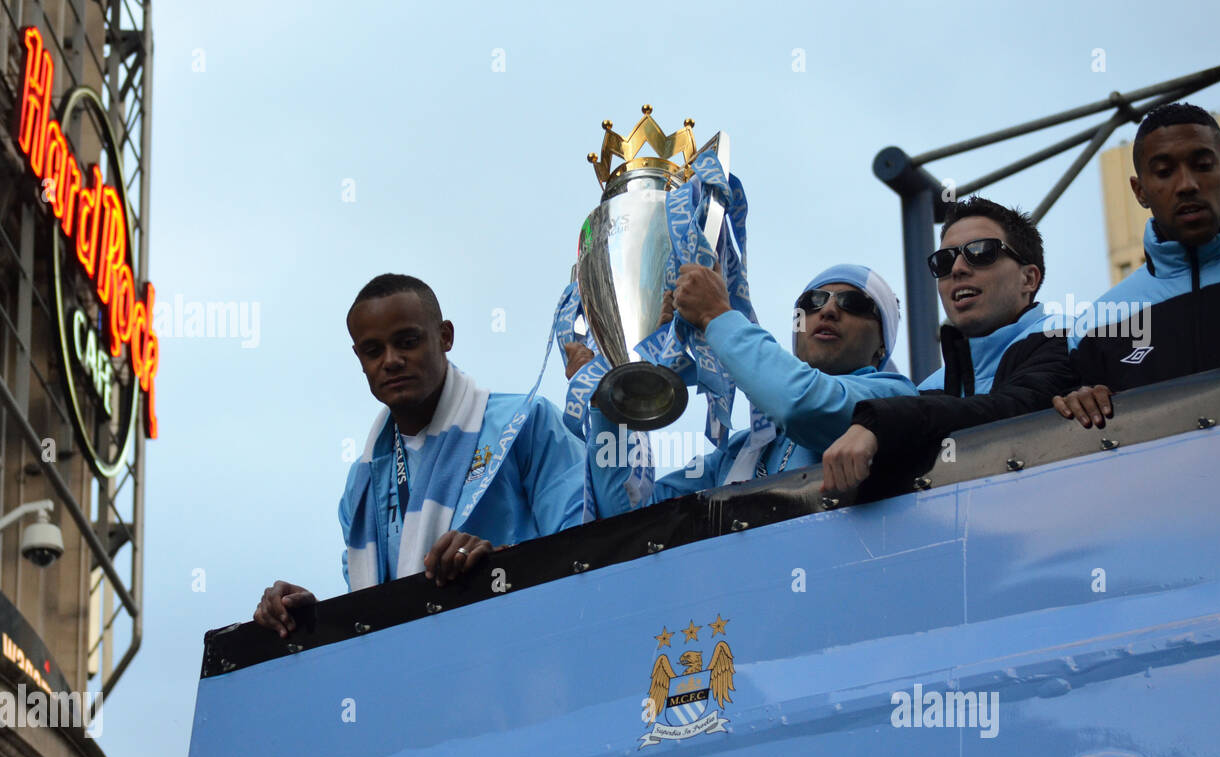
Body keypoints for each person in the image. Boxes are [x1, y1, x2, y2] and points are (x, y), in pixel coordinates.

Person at [254, 274, 584, 637]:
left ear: (445, 336)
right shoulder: (361, 486)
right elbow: (375, 611)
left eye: (407, 342)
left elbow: (584, 549)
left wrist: (501, 563)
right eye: (373, 350)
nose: (391, 361)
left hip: (529, 656)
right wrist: (307, 618)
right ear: (359, 358)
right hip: (424, 678)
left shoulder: (525, 422)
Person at [582, 262, 918, 516]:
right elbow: (627, 514)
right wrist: (613, 393)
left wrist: (716, 315)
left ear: (881, 346)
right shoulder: (746, 449)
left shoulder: (895, 400)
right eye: (813, 301)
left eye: (853, 303)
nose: (828, 310)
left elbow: (800, 403)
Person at [1054, 102, 1220, 429]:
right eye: (1164, 172)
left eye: (1202, 165)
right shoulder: (1096, 325)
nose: (1186, 184)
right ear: (1139, 191)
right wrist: (1075, 402)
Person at [821, 197, 1076, 492]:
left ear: (1028, 278)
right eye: (943, 261)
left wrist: (879, 421)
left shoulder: (1072, 338)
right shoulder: (929, 387)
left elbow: (1016, 408)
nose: (956, 268)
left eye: (980, 252)